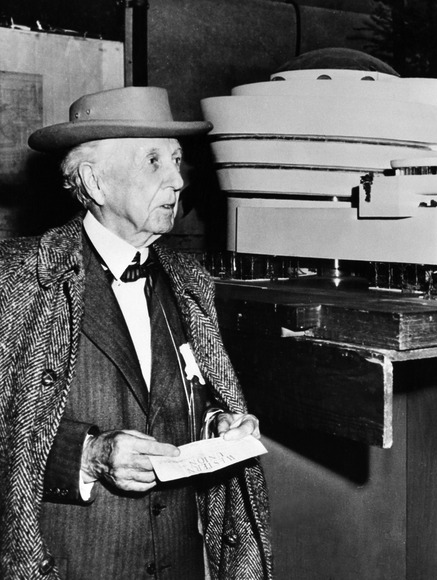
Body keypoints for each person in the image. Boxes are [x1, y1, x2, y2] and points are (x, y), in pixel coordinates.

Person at [0, 86, 272, 579]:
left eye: (177, 159)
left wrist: (217, 426)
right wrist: (90, 454)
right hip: (70, 564)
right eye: (154, 161)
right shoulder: (17, 278)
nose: (177, 180)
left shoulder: (189, 281)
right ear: (94, 182)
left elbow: (192, 388)